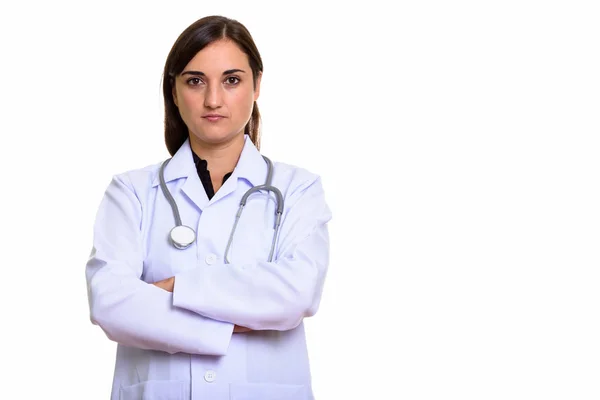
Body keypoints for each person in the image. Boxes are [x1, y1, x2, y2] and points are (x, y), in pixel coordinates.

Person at [85, 15, 332, 400]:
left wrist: (175, 288)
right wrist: (235, 321)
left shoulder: (298, 189)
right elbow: (112, 304)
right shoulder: (131, 191)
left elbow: (296, 293)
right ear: (174, 89)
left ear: (257, 85)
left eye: (231, 80)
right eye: (195, 80)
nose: (213, 99)